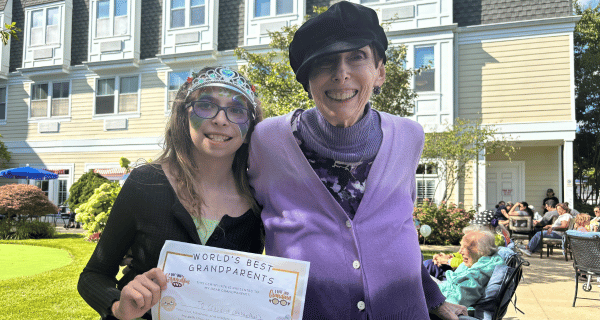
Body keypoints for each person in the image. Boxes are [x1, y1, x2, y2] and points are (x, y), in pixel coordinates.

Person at [247, 2, 466, 319]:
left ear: (380, 72)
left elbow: (400, 230)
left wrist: (433, 298)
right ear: (306, 79)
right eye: (324, 63)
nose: (341, 74)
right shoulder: (267, 140)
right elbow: (230, 216)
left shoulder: (409, 137)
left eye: (356, 57)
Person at [78, 67, 264, 320]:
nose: (221, 119)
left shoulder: (259, 199)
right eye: (206, 105)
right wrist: (117, 306)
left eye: (236, 110)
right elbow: (93, 275)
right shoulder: (146, 182)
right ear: (183, 117)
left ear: (249, 131)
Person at [437, 227, 505, 308]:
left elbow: (456, 300)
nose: (460, 252)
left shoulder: (478, 274)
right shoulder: (477, 262)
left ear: (481, 250)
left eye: (464, 247)